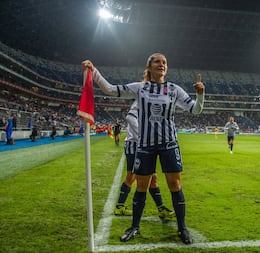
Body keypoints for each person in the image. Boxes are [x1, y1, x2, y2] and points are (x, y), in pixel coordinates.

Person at [82, 52, 205, 244]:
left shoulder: (174, 89)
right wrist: (93, 71)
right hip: (145, 145)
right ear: (149, 67)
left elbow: (196, 109)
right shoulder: (140, 88)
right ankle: (134, 227)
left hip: (169, 144)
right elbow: (110, 89)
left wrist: (200, 94)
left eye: (164, 62)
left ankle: (182, 228)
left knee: (175, 185)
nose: (161, 64)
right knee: (141, 186)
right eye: (157, 61)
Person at [114, 100, 175, 222]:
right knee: (132, 175)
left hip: (143, 145)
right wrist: (143, 136)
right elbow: (130, 118)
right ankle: (120, 206)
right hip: (135, 144)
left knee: (153, 177)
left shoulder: (148, 103)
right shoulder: (139, 102)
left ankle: (161, 208)